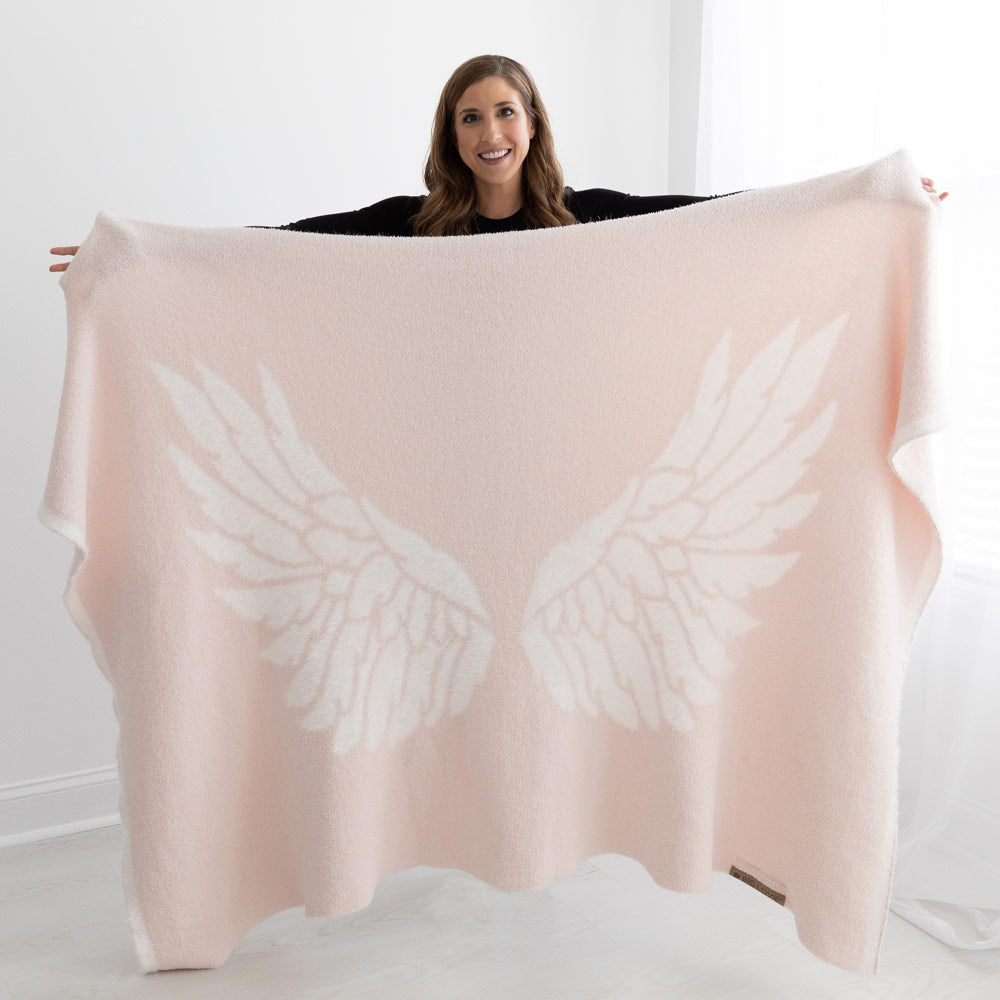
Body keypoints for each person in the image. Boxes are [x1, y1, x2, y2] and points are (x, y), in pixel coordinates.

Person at [49, 54, 949, 268]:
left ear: (532, 123)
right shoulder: (413, 225)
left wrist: (870, 197)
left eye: (505, 112)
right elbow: (281, 242)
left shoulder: (589, 213)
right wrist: (136, 250)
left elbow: (723, 211)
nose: (491, 133)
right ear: (451, 135)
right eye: (471, 117)